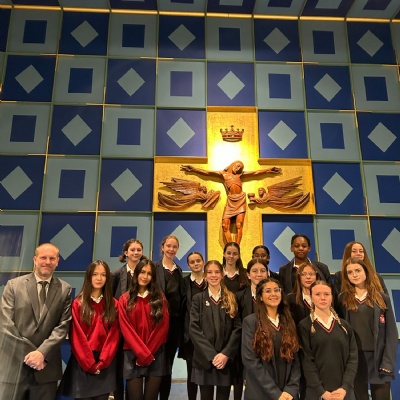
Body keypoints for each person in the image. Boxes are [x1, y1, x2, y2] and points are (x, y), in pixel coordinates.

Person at [0, 243, 72, 400]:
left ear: (57, 261)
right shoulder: (13, 286)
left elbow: (63, 326)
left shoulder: (65, 289)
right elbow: (5, 325)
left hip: (45, 371)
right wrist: (33, 355)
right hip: (13, 368)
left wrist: (42, 353)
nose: (47, 262)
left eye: (52, 258)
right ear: (35, 259)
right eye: (43, 258)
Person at [337, 258, 398, 400]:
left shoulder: (381, 298)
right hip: (355, 360)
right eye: (350, 272)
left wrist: (388, 362)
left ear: (366, 271)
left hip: (378, 359)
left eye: (358, 270)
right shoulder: (343, 299)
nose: (354, 275)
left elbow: (391, 332)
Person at [58, 260, 119, 400]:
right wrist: (89, 364)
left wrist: (102, 362)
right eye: (95, 274)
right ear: (89, 276)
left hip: (105, 364)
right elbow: (76, 336)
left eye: (103, 275)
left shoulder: (113, 304)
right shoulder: (78, 303)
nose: (99, 278)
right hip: (83, 363)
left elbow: (114, 336)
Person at [181, 161, 281, 244]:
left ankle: (237, 247)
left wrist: (268, 170)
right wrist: (193, 169)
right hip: (231, 201)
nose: (238, 169)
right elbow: (207, 173)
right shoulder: (223, 174)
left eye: (240, 168)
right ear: (233, 165)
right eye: (238, 166)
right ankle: (230, 247)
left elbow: (256, 173)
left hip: (241, 199)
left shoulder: (240, 175)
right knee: (225, 226)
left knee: (239, 225)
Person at [189, 260, 241, 400]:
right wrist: (212, 356)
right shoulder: (198, 299)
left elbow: (237, 328)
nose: (213, 275)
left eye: (217, 272)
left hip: (225, 360)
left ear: (222, 275)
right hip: (205, 361)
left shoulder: (231, 298)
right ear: (205, 276)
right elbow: (194, 329)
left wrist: (225, 354)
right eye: (210, 272)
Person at [118, 259, 170, 400]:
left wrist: (147, 355)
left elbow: (162, 328)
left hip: (155, 353)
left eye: (149, 273)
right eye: (142, 272)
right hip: (132, 354)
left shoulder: (160, 298)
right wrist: (142, 354)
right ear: (136, 274)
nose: (145, 276)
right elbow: (126, 329)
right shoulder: (124, 299)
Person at [241, 278, 301, 400]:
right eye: (268, 291)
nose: (273, 294)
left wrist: (291, 389)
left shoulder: (288, 321)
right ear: (260, 297)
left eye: (276, 290)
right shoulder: (251, 322)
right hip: (261, 392)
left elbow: (296, 358)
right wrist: (275, 393)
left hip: (287, 394)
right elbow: (250, 360)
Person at [298, 281, 358, 400]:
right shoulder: (304, 326)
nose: (323, 298)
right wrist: (321, 392)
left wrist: (345, 387)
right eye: (318, 294)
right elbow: (306, 362)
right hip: (316, 393)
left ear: (332, 297)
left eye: (326, 294)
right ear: (311, 297)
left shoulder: (344, 326)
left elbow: (353, 359)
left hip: (343, 393)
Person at [111, 238, 145, 400]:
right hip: (119, 328)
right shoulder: (116, 274)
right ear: (126, 253)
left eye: (139, 250)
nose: (136, 252)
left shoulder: (146, 274)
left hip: (139, 329)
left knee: (135, 370)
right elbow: (111, 300)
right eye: (132, 250)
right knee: (118, 368)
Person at [154, 235, 186, 400]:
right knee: (156, 364)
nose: (171, 249)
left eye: (174, 247)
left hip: (174, 325)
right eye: (168, 246)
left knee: (168, 364)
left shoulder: (178, 270)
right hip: (157, 323)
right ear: (162, 247)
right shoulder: (154, 268)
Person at [178, 252, 207, 400]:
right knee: (191, 372)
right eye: (192, 262)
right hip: (189, 335)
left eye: (198, 261)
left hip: (208, 335)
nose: (196, 264)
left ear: (203, 262)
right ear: (188, 265)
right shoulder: (184, 283)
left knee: (206, 373)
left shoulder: (210, 281)